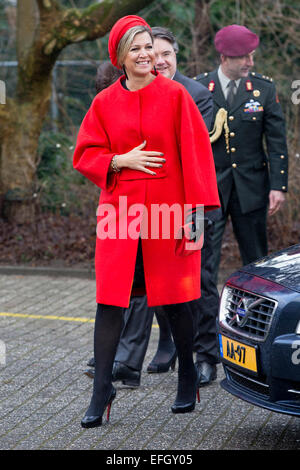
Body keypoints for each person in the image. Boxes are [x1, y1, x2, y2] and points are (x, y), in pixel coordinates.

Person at [73, 15, 220, 428]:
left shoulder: (175, 96)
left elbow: (197, 159)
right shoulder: (104, 103)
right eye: (135, 48)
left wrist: (196, 214)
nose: (145, 55)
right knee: (110, 303)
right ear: (120, 56)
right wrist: (120, 160)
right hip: (120, 217)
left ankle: (188, 372)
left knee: (176, 301)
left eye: (149, 48)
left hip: (170, 216)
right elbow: (85, 154)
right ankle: (102, 388)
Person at [196, 25, 288, 283]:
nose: (251, 62)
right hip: (210, 189)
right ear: (224, 58)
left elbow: (276, 141)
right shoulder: (200, 88)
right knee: (204, 259)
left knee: (257, 259)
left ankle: (257, 316)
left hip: (252, 187)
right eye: (244, 57)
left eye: (252, 55)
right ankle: (205, 319)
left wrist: (278, 186)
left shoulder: (264, 89)